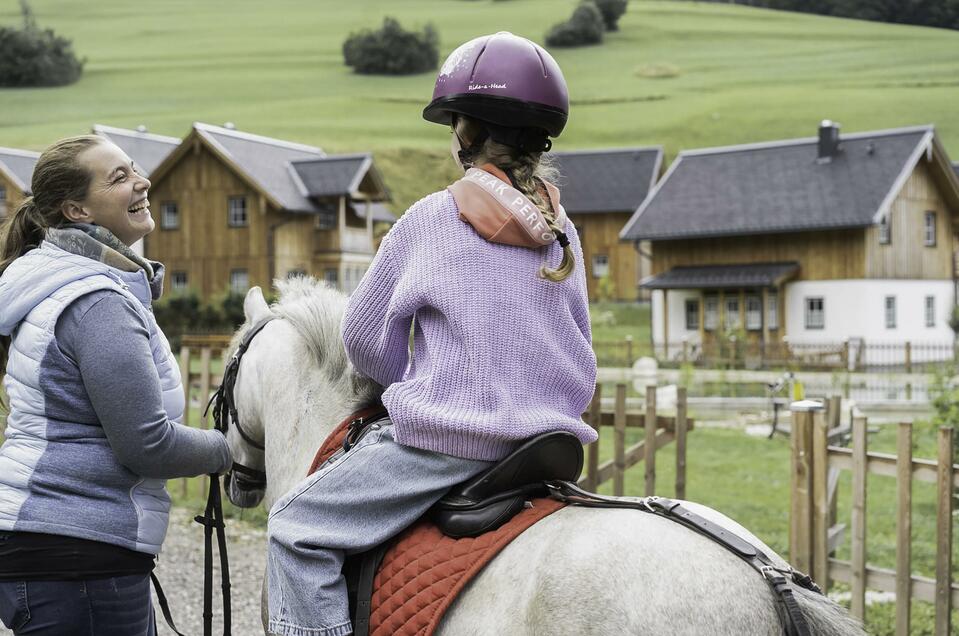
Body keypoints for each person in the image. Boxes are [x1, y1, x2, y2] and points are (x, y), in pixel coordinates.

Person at [266, 32, 597, 636]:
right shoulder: (561, 229)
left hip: (453, 445)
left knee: (294, 530)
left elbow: (364, 340)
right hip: (547, 444)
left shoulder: (432, 218)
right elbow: (579, 345)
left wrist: (421, 381)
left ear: (465, 134)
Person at [0, 135, 232, 635]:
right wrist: (227, 449)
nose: (142, 182)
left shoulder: (54, 282)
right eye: (119, 177)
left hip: (55, 548)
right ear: (77, 209)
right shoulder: (97, 302)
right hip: (78, 554)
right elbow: (148, 445)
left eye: (134, 168)